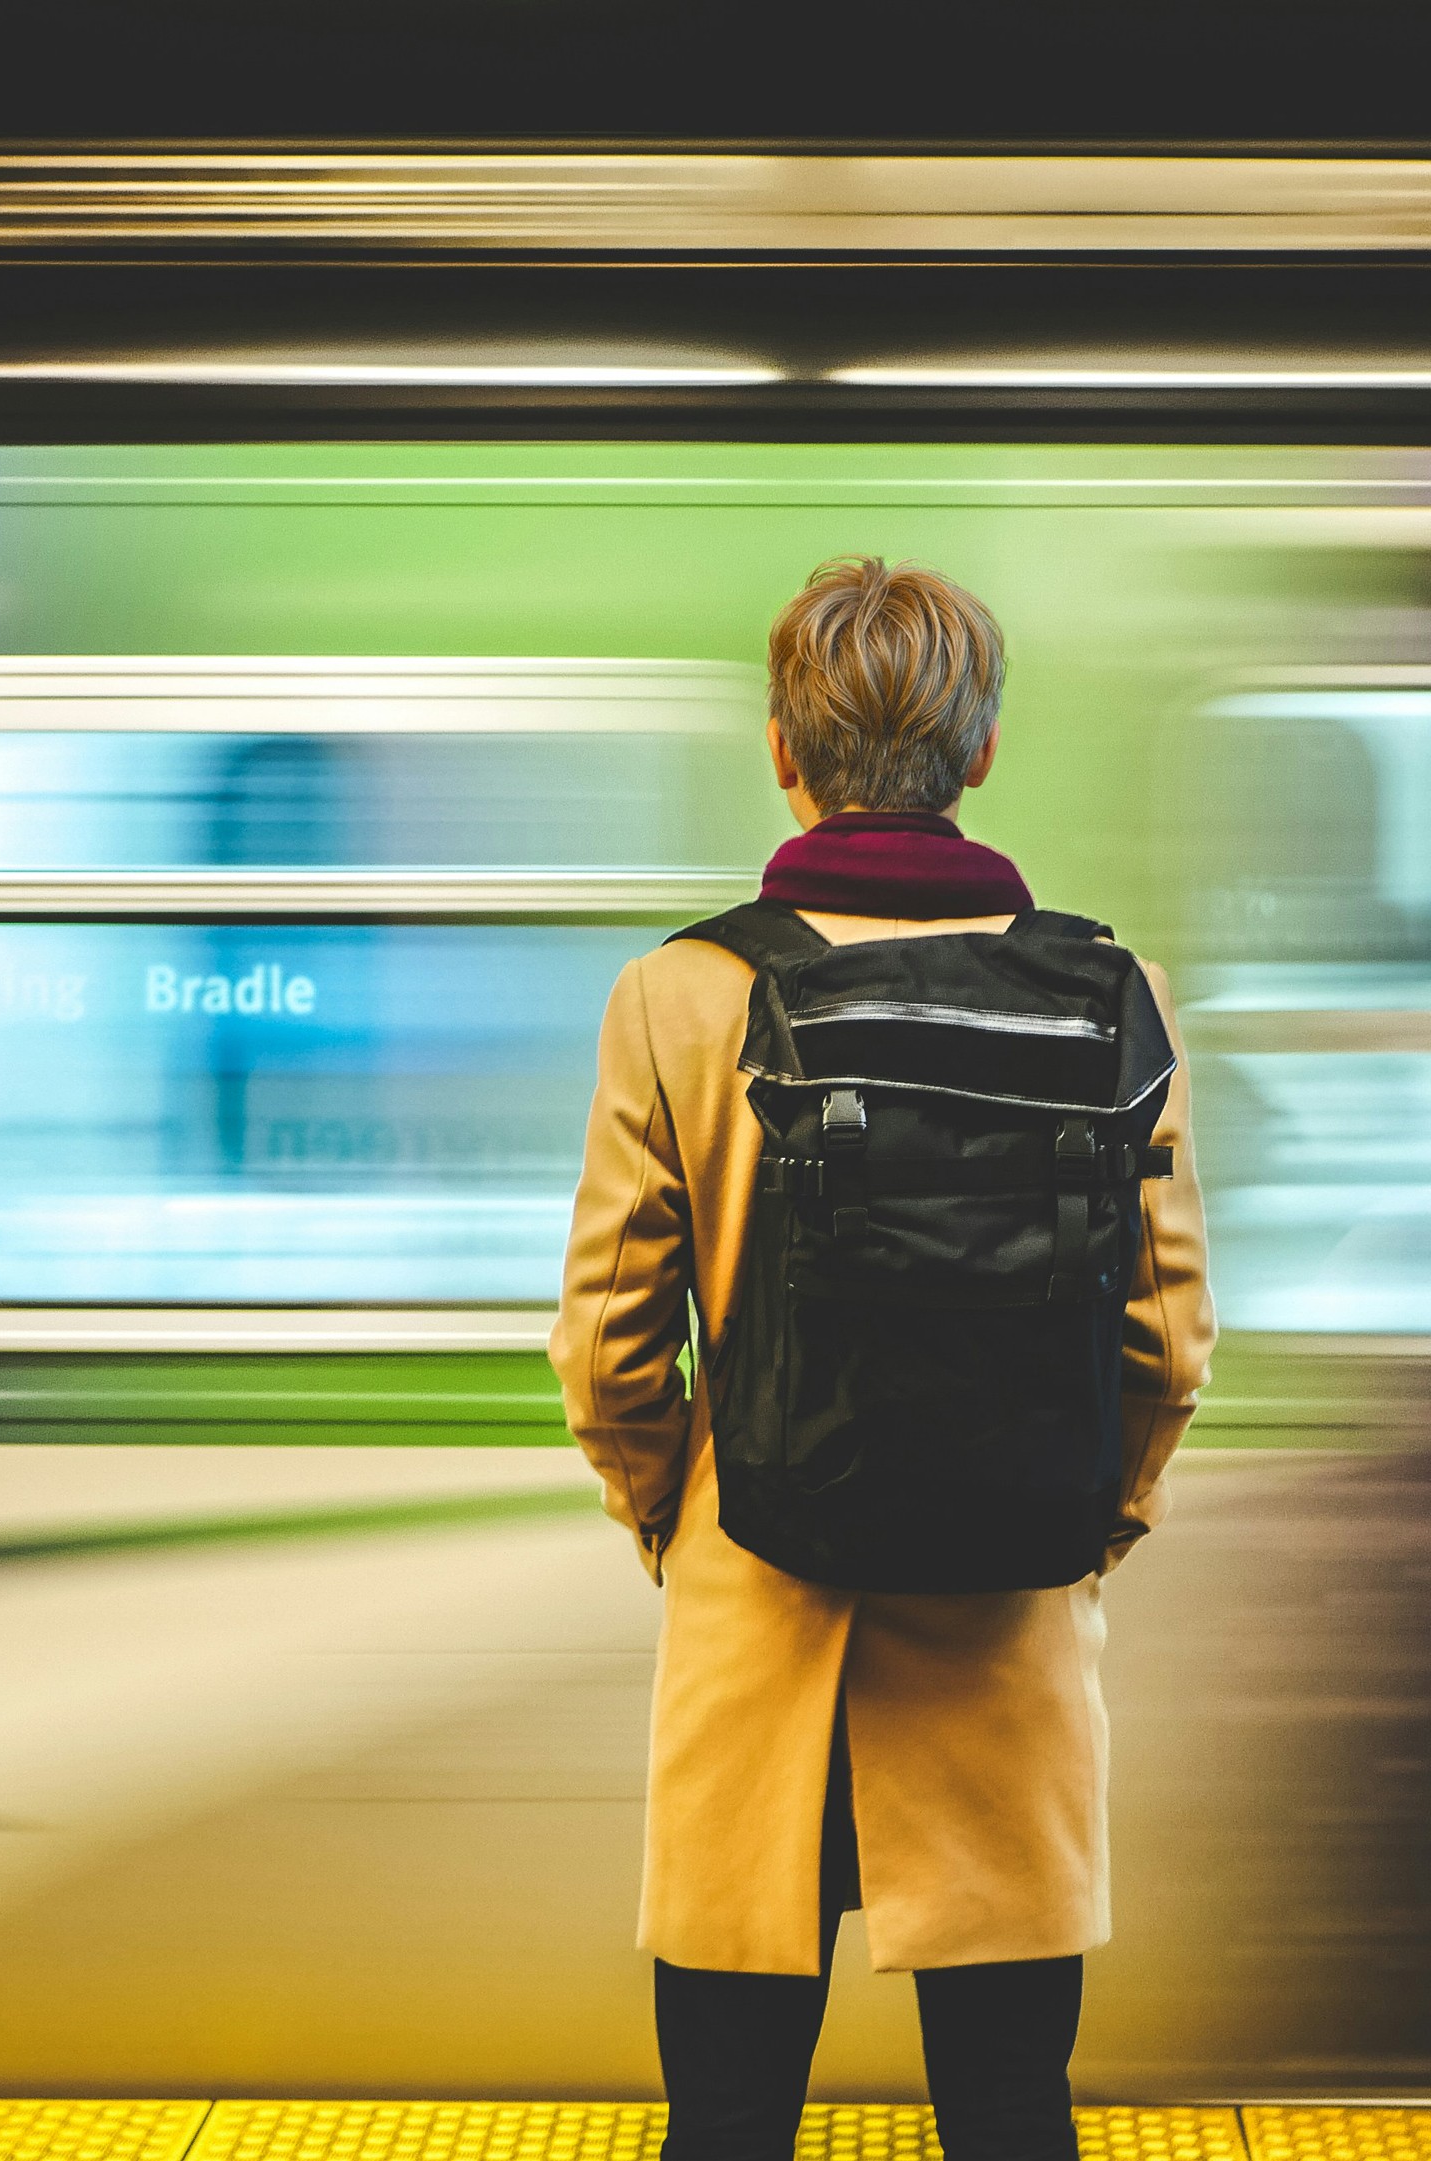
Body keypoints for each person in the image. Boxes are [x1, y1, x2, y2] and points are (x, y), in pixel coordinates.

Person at [552, 556, 1214, 2161]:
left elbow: (609, 1342)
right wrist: (1089, 1524)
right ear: (981, 751)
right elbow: (1168, 1335)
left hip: (756, 1615)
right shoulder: (1107, 999)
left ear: (785, 746)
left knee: (726, 2114)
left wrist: (679, 1517)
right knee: (1004, 2109)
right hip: (1004, 1632)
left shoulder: (678, 995)